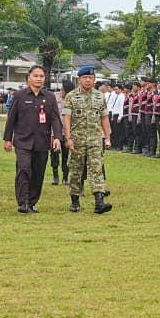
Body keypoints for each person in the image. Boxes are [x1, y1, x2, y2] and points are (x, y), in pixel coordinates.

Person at [3, 65, 63, 214]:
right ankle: (22, 202)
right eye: (35, 76)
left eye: (41, 76)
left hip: (42, 141)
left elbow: (55, 118)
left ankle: (32, 202)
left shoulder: (49, 97)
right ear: (29, 78)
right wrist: (8, 139)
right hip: (23, 141)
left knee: (38, 172)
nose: (38, 79)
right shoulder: (19, 95)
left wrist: (57, 137)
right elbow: (11, 119)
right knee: (23, 169)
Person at [62, 66, 114, 213]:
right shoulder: (71, 96)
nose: (88, 80)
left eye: (91, 78)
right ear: (79, 79)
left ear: (94, 79)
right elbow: (67, 119)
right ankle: (75, 200)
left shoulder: (99, 96)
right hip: (77, 140)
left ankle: (99, 202)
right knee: (76, 171)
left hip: (95, 139)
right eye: (85, 78)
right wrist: (68, 138)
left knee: (97, 169)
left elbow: (104, 118)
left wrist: (107, 137)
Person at [51, 79, 73, 186]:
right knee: (54, 154)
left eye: (63, 90)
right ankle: (55, 176)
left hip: (67, 132)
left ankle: (65, 177)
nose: (61, 91)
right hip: (55, 132)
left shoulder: (72, 100)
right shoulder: (54, 98)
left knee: (66, 155)